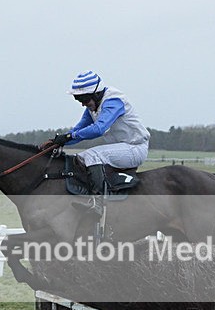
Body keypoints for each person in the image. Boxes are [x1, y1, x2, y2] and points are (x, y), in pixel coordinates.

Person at [41, 70, 150, 216]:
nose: (83, 104)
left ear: (97, 94)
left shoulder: (113, 101)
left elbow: (99, 129)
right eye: (79, 101)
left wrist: (68, 136)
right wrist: (59, 141)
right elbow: (79, 130)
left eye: (85, 100)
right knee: (79, 158)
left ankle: (98, 202)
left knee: (91, 156)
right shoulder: (92, 106)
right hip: (120, 148)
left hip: (135, 148)